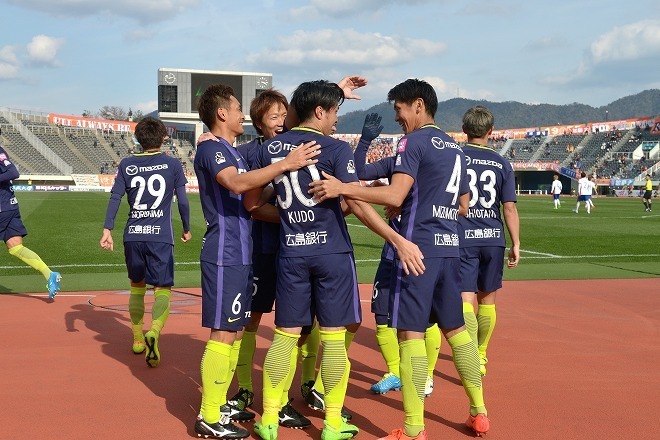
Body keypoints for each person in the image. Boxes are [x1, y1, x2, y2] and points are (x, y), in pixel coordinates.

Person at [309, 78, 488, 439]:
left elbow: (394, 195)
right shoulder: (454, 147)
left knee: (411, 335)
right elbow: (465, 204)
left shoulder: (413, 141)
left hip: (416, 251)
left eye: (400, 110)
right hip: (449, 248)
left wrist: (342, 187)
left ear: (417, 105)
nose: (398, 119)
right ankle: (479, 412)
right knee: (457, 333)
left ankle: (413, 428)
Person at [248, 80, 423, 440]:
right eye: (335, 111)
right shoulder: (335, 149)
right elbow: (355, 203)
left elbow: (252, 204)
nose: (337, 119)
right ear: (320, 111)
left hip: (291, 252)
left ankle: (267, 419)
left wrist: (288, 215)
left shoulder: (272, 149)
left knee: (284, 336)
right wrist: (395, 238)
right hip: (331, 254)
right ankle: (331, 423)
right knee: (332, 339)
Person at [192, 83, 320, 439]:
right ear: (221, 114)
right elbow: (235, 184)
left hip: (240, 252)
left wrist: (281, 177)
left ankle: (217, 410)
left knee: (231, 332)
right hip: (224, 252)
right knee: (224, 332)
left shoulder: (229, 151)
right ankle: (208, 414)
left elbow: (251, 192)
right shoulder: (213, 150)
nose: (241, 114)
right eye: (235, 109)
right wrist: (286, 163)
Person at [351, 113, 442, 397]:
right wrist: (365, 141)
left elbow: (454, 206)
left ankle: (425, 376)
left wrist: (402, 202)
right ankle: (396, 371)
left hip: (419, 249)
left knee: (427, 319)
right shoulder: (395, 163)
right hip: (393, 250)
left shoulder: (434, 167)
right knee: (380, 314)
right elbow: (358, 171)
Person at [100, 117, 191, 366]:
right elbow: (182, 201)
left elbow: (115, 198)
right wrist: (186, 228)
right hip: (160, 236)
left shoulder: (127, 164)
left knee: (137, 287)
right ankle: (155, 332)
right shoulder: (172, 164)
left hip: (133, 236)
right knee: (162, 290)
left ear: (138, 140)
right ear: (163, 138)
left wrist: (107, 229)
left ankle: (138, 338)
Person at [457, 106, 520, 381]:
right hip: (493, 238)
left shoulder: (456, 157)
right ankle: (481, 354)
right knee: (488, 301)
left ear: (464, 129)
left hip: (462, 235)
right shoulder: (502, 163)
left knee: (465, 298)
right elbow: (509, 208)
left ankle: (470, 355)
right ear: (491, 132)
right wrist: (516, 242)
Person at [0, 146, 61, 299]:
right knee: (15, 247)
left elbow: (14, 173)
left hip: (2, 207)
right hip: (10, 206)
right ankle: (50, 274)